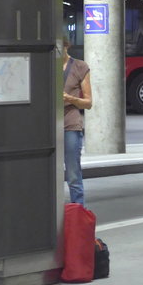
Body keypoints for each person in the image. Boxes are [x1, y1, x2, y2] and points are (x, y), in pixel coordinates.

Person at [61, 39, 93, 205]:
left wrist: (70, 98)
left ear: (67, 46)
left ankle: (78, 211)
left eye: (61, 46)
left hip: (70, 125)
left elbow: (88, 103)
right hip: (48, 126)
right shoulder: (45, 65)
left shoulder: (80, 67)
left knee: (73, 173)